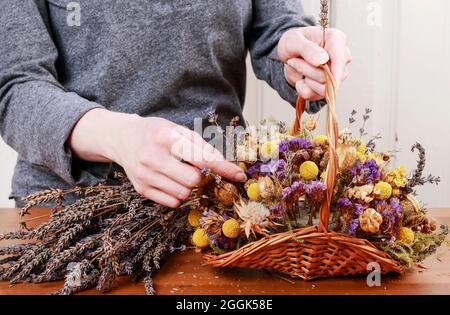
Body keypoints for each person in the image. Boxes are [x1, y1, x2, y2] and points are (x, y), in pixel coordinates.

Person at [0, 0, 351, 208]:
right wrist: (120, 138)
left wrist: (299, 57)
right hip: (73, 212)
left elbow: (274, 28)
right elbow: (15, 85)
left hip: (220, 206)